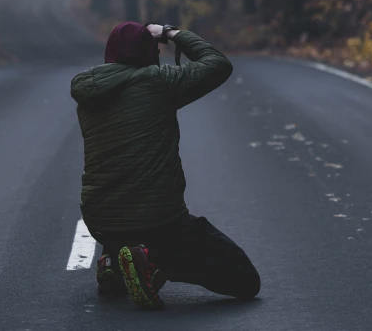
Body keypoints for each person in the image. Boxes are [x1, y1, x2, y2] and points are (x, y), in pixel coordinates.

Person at [70, 21, 260, 310]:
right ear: (149, 52)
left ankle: (114, 261)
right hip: (159, 222)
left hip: (101, 222)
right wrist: (172, 33)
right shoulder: (159, 82)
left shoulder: (89, 91)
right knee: (246, 281)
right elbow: (217, 64)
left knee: (124, 207)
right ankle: (152, 265)